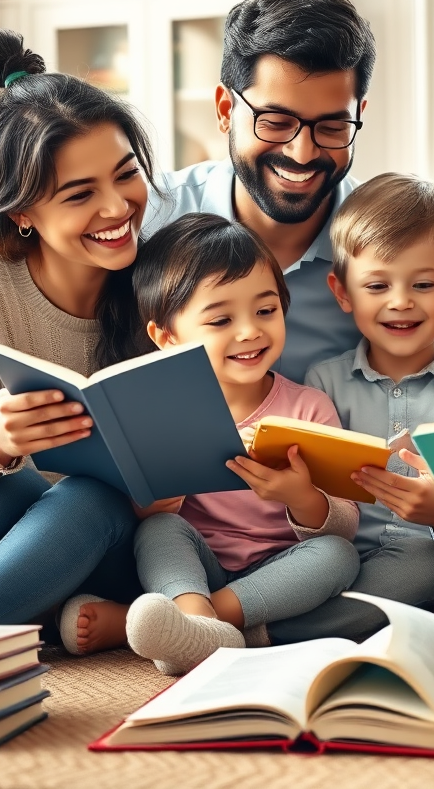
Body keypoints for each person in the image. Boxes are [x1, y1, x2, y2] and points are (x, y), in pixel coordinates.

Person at [0, 29, 156, 648]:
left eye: (125, 175)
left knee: (89, 495)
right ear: (21, 213)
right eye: (80, 194)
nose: (118, 208)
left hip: (127, 544)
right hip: (12, 535)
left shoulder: (167, 279)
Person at [144, 0, 434, 383]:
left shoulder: (394, 236)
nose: (302, 153)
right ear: (226, 109)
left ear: (359, 114)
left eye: (333, 126)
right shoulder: (151, 215)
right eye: (276, 122)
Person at [267, 174, 434, 644]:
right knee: (305, 563)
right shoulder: (324, 381)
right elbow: (314, 506)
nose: (401, 302)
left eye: (422, 284)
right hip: (333, 552)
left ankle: (255, 633)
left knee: (426, 563)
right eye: (377, 286)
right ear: (343, 293)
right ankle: (230, 611)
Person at [121, 214, 360, 674]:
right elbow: (143, 517)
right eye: (221, 319)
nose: (250, 331)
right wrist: (160, 500)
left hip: (281, 574)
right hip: (198, 568)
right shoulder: (160, 414)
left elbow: (344, 526)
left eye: (266, 311)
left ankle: (202, 628)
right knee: (156, 532)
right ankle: (192, 616)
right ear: (166, 339)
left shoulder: (309, 408)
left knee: (339, 556)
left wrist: (300, 497)